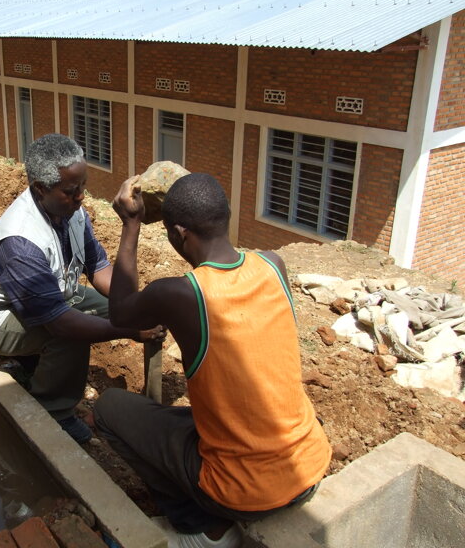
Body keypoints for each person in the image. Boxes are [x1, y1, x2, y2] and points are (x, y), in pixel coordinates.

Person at [93, 173, 332, 548]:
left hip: (242, 493)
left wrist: (131, 224)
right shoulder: (273, 265)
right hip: (309, 467)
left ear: (179, 234)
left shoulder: (180, 294)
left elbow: (121, 312)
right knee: (192, 417)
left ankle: (202, 529)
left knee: (109, 409)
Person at [0, 134, 166, 443]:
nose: (81, 197)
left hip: (52, 295)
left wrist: (135, 308)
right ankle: (54, 414)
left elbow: (98, 269)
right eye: (71, 191)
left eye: (83, 185)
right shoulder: (21, 242)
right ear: (40, 189)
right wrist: (128, 330)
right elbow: (60, 323)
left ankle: (35, 361)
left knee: (117, 309)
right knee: (71, 335)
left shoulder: (71, 212)